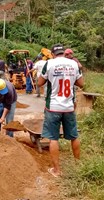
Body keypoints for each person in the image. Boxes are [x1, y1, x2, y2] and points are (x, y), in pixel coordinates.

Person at [38, 43, 84, 177]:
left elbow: (40, 83)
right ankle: (78, 166)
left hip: (53, 107)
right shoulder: (73, 64)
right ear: (64, 53)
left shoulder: (50, 64)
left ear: (52, 54)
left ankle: (57, 170)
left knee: (53, 138)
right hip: (69, 107)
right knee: (74, 136)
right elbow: (81, 84)